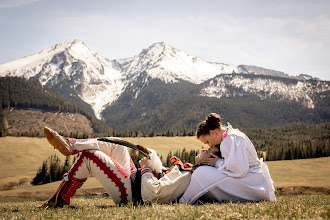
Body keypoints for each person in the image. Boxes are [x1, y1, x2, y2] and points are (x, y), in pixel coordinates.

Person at [38, 126, 219, 208]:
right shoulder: (188, 171)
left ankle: (58, 199)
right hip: (134, 180)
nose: (204, 148)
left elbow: (154, 194)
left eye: (209, 150)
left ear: (211, 159)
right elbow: (163, 179)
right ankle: (72, 144)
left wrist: (147, 169)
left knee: (90, 157)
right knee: (116, 144)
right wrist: (153, 163)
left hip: (133, 195)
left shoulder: (188, 175)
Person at [179, 113, 276, 204]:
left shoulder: (230, 139)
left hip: (251, 183)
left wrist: (217, 163)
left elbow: (238, 169)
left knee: (201, 172)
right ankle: (185, 199)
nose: (209, 145)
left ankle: (183, 201)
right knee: (203, 172)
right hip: (250, 181)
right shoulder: (229, 137)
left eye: (207, 141)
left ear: (213, 133)